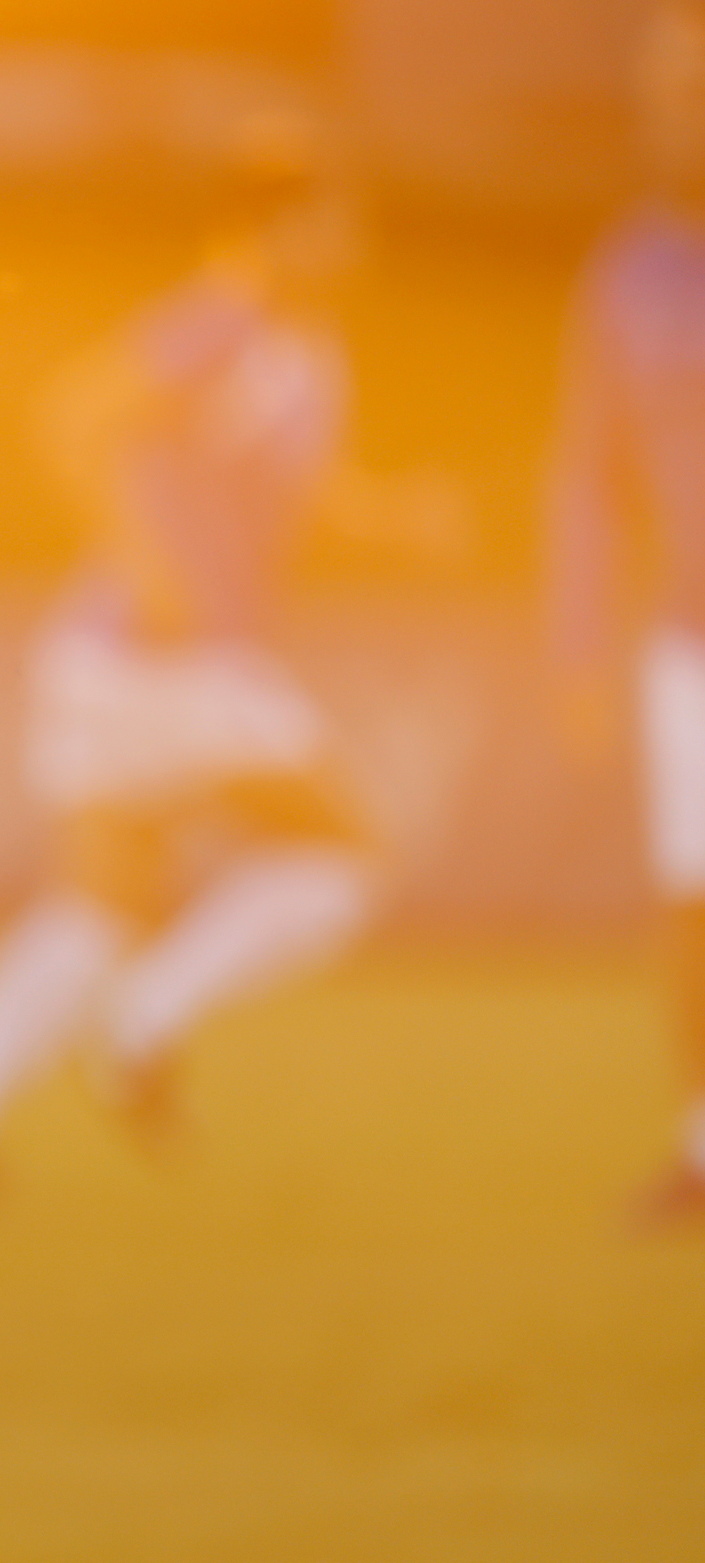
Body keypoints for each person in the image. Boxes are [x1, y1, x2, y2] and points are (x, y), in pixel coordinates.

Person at [0, 117, 382, 1196]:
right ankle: (148, 1016)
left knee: (99, 902)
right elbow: (77, 413)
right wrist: (143, 558)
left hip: (115, 661)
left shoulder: (305, 353)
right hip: (171, 655)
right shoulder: (224, 322)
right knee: (341, 852)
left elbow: (297, 497)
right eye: (332, 222)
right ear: (275, 228)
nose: (350, 244)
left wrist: (399, 521)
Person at [546, 0, 705, 1228]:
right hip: (686, 639)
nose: (682, 103)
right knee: (690, 896)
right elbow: (588, 473)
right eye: (669, 85)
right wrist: (581, 642)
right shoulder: (631, 268)